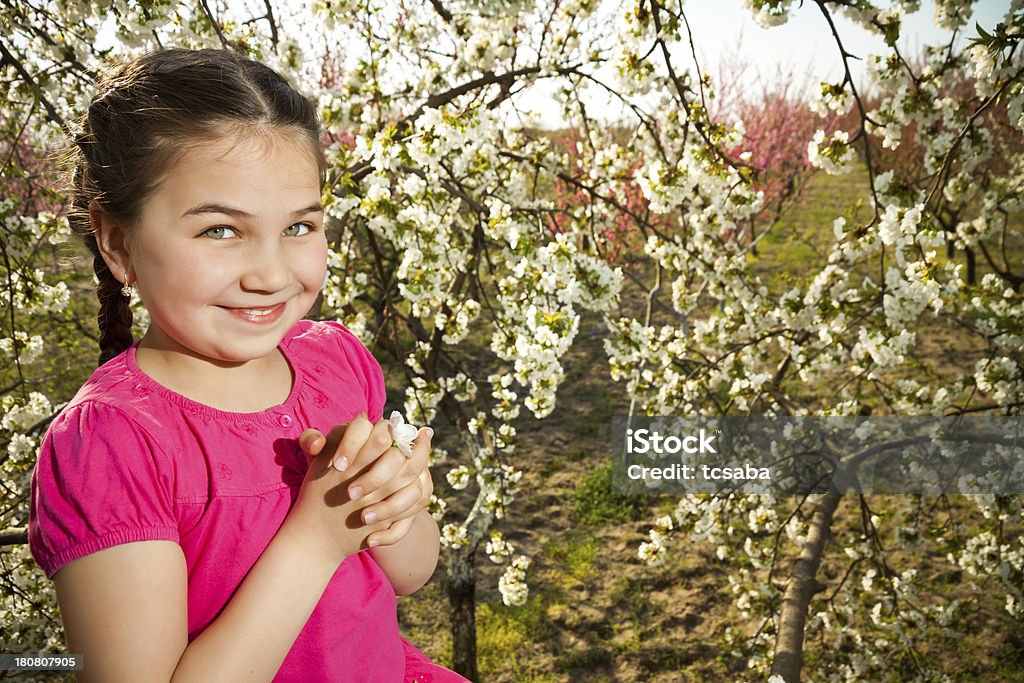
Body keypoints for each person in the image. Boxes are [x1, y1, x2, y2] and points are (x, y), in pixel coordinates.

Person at [27, 47, 469, 682]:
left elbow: (409, 572)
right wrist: (314, 541)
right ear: (118, 243)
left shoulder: (336, 363)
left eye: (299, 227)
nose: (270, 275)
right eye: (220, 231)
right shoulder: (114, 444)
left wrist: (392, 505)